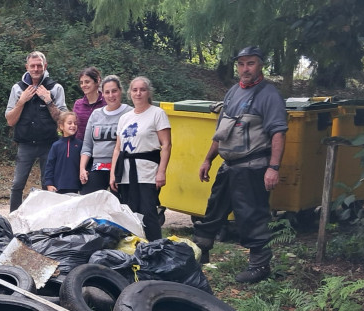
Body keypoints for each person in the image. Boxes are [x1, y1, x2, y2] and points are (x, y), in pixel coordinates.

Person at [192, 46, 288, 283]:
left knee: (252, 216)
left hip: (253, 167)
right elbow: (221, 132)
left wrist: (273, 168)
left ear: (260, 65)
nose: (245, 69)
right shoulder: (233, 92)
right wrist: (208, 159)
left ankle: (259, 266)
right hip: (228, 166)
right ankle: (197, 256)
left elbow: (278, 133)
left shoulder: (269, 95)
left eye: (251, 63)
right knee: (213, 211)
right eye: (242, 64)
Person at [110, 77, 171, 241]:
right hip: (125, 171)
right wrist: (113, 174)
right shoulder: (125, 118)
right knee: (129, 213)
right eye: (135, 90)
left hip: (147, 170)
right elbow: (118, 148)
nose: (138, 93)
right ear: (130, 93)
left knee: (148, 211)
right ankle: (135, 248)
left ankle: (155, 248)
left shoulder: (157, 114)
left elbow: (166, 145)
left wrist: (161, 171)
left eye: (142, 89)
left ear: (148, 92)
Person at [5, 51, 68, 212]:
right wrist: (21, 101)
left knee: (48, 184)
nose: (36, 68)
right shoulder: (18, 89)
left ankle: (48, 220)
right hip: (25, 145)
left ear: (45, 66)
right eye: (32, 65)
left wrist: (48, 100)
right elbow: (10, 121)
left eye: (39, 65)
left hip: (49, 145)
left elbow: (63, 121)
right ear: (27, 67)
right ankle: (13, 219)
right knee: (17, 185)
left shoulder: (55, 88)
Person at [79, 74, 132, 194]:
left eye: (114, 91)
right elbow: (87, 146)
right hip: (98, 167)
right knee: (88, 201)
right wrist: (82, 169)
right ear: (102, 94)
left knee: (119, 207)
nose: (111, 95)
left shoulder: (129, 113)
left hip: (121, 167)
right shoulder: (96, 114)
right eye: (107, 92)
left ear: (120, 91)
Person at [43, 112, 82, 194]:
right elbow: (50, 165)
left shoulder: (80, 144)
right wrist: (49, 183)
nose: (73, 125)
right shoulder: (56, 145)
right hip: (58, 185)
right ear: (61, 126)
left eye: (75, 123)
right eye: (69, 123)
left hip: (75, 186)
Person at [73, 67, 105, 142]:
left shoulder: (106, 102)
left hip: (100, 146)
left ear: (97, 81)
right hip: (80, 146)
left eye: (87, 82)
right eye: (81, 83)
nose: (83, 85)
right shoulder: (78, 104)